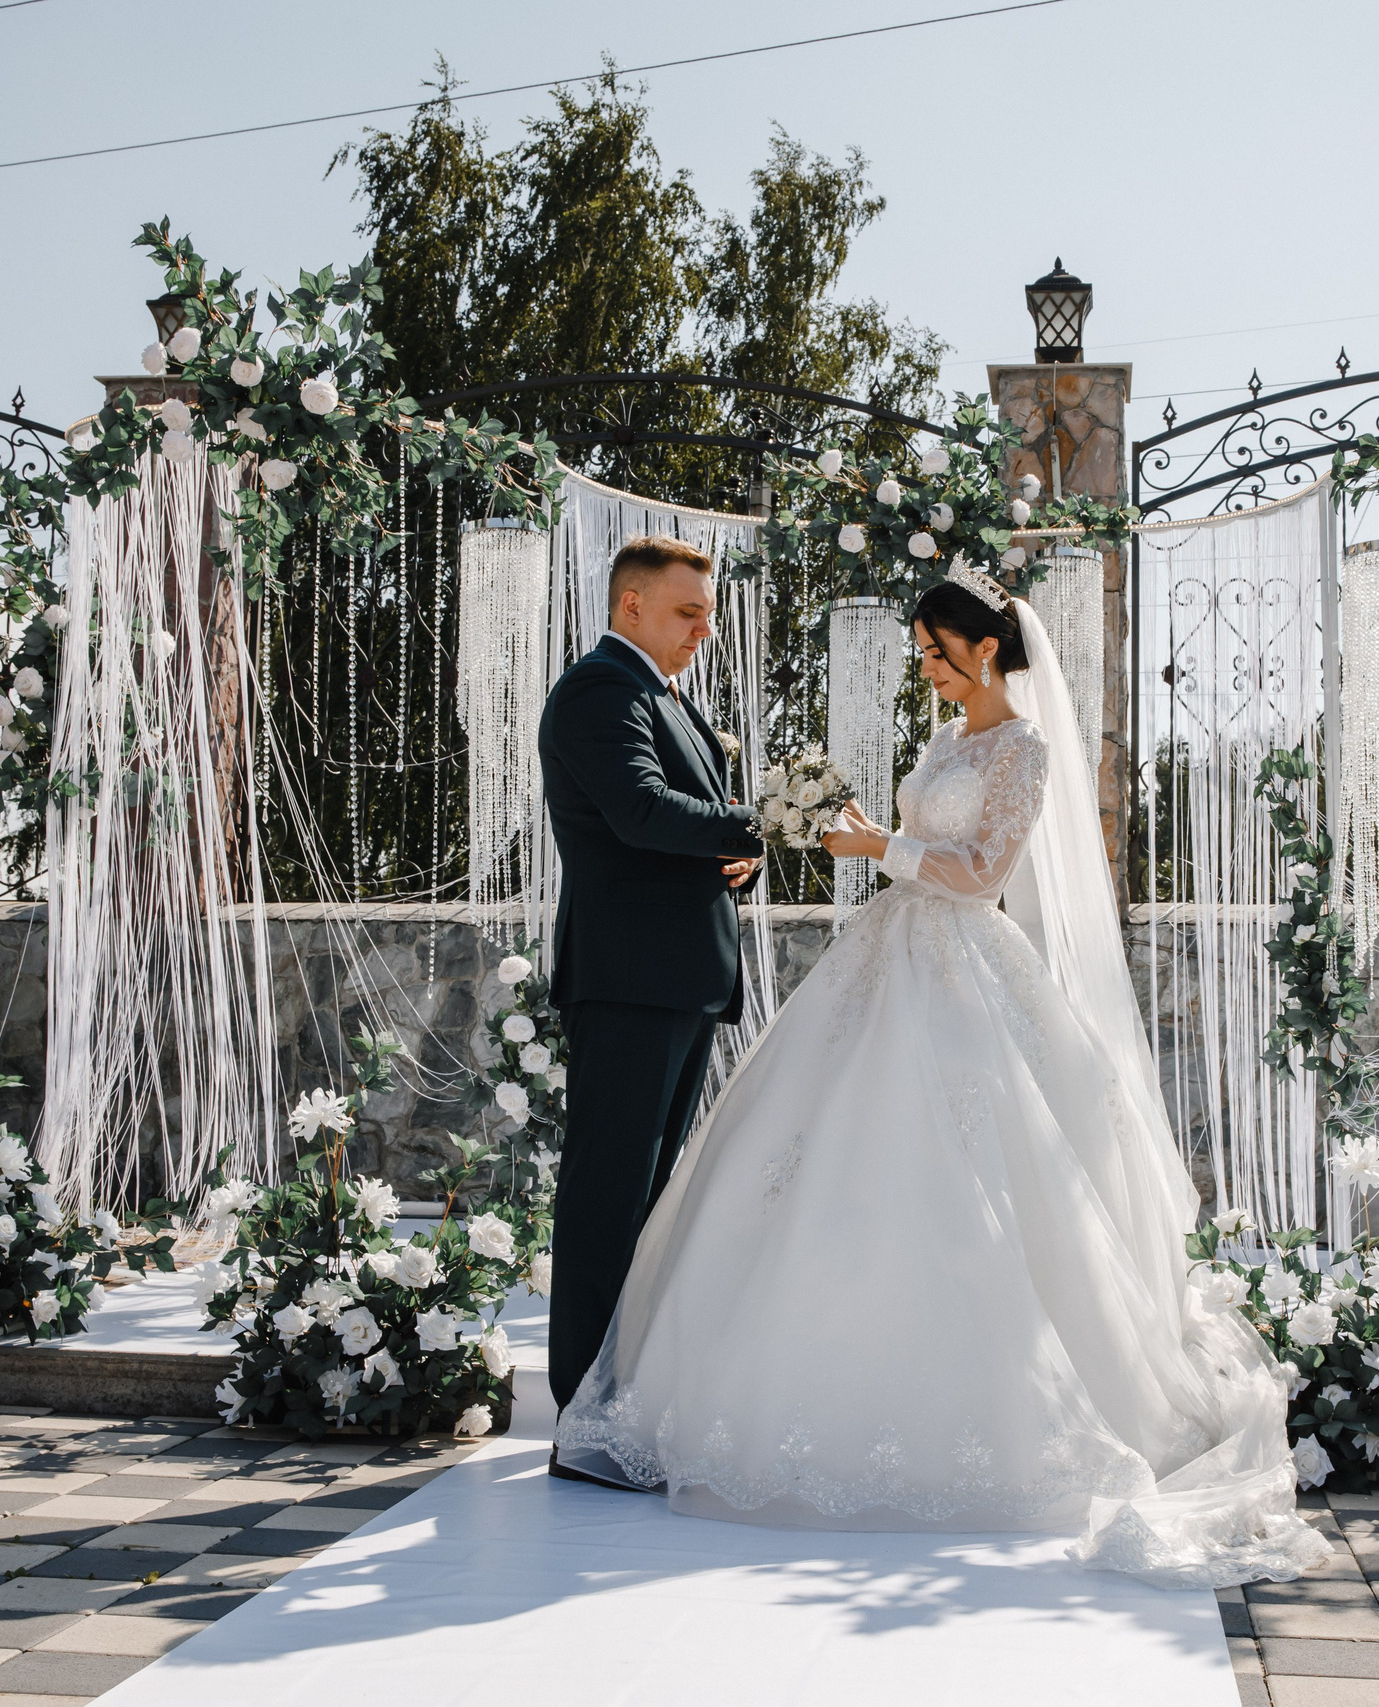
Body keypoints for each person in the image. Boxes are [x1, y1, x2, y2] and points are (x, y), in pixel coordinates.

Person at [552, 566, 1325, 1588]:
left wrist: (877, 840)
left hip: (963, 967)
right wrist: (853, 828)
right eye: (920, 648)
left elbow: (978, 875)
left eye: (934, 650)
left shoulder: (1025, 750)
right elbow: (912, 842)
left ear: (988, 649)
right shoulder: (951, 741)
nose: (924, 666)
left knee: (969, 1179)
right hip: (884, 956)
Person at [536, 535, 764, 1481]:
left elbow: (692, 832)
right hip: (629, 982)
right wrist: (760, 820)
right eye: (686, 612)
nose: (704, 631)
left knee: (650, 1201)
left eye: (707, 613)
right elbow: (638, 809)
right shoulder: (600, 692)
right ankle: (580, 1420)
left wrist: (743, 857)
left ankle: (621, 1402)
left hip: (677, 979)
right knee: (606, 1199)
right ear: (630, 605)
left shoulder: (668, 698)